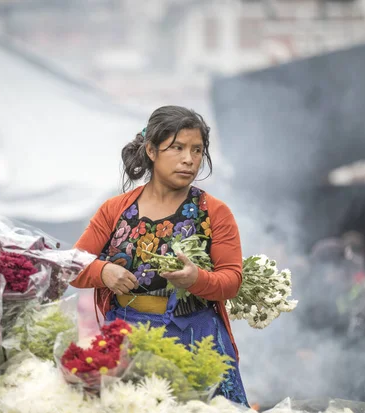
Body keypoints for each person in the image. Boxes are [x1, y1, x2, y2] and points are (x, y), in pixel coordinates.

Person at [71, 106, 248, 405]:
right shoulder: (115, 210)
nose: (189, 159)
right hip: (126, 340)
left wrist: (197, 279)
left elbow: (232, 280)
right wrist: (103, 271)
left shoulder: (214, 212)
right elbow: (73, 267)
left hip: (194, 340)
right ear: (151, 150)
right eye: (177, 148)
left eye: (197, 150)